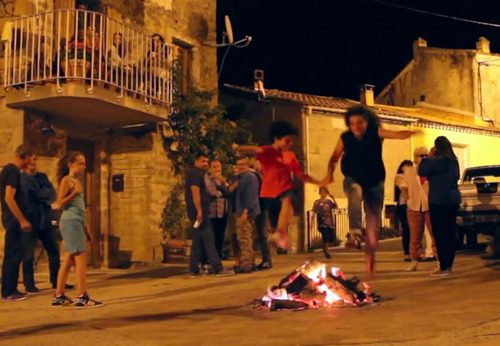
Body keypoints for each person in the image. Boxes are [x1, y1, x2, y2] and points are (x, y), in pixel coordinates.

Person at [322, 106, 417, 276]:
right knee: (355, 191)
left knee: (373, 227)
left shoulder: (375, 132)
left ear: (368, 122)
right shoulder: (345, 138)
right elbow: (335, 156)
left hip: (375, 182)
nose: (356, 127)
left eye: (360, 123)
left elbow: (394, 134)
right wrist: (329, 174)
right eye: (352, 124)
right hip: (353, 178)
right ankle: (355, 233)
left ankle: (370, 256)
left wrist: (409, 133)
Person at [234, 121, 320, 253]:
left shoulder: (290, 155)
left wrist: (317, 181)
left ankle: (280, 233)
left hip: (285, 190)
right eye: (287, 140)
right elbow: (253, 149)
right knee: (274, 222)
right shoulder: (267, 151)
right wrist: (237, 147)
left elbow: (298, 173)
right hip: (269, 193)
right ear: (276, 139)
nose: (290, 144)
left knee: (288, 200)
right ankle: (278, 236)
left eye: (292, 141)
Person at [52, 151, 103, 308]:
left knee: (68, 259)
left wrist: (87, 231)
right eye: (80, 163)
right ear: (71, 164)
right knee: (81, 259)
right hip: (71, 222)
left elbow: (81, 210)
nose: (84, 166)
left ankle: (59, 295)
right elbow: (60, 203)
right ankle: (82, 296)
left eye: (84, 163)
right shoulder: (67, 181)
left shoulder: (77, 181)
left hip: (77, 222)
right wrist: (74, 193)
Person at [185, 153, 234, 277]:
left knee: (197, 241)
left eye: (207, 161)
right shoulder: (195, 174)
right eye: (203, 161)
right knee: (209, 239)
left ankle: (194, 269)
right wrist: (199, 210)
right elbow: (195, 192)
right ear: (196, 161)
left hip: (200, 212)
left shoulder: (199, 174)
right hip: (200, 213)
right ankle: (217, 268)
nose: (205, 164)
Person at [419, 137, 461, 277]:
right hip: (453, 198)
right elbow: (456, 177)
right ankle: (448, 264)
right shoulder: (454, 161)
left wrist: (428, 157)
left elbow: (422, 170)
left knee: (439, 233)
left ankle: (444, 266)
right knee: (449, 232)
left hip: (439, 199)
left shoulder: (437, 161)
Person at [21, 154, 62, 292]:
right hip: (31, 217)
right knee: (28, 253)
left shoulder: (42, 177)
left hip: (47, 217)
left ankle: (57, 280)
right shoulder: (23, 178)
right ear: (26, 160)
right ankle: (29, 283)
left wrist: (41, 195)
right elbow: (30, 196)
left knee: (54, 249)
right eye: (32, 159)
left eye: (35, 159)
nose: (34, 162)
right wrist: (41, 195)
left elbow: (52, 194)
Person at [1, 145, 32, 302]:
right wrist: (21, 220)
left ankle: (11, 288)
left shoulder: (10, 170)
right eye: (30, 158)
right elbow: (9, 197)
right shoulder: (12, 170)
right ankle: (8, 292)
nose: (31, 162)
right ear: (24, 157)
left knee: (15, 254)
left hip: (11, 218)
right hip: (13, 219)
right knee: (12, 255)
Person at [400, 147, 438, 272]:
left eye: (425, 155)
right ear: (415, 157)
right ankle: (414, 261)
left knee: (434, 234)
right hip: (414, 205)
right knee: (415, 236)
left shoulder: (431, 170)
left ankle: (439, 260)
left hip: (429, 205)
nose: (423, 158)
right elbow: (404, 187)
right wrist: (408, 200)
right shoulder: (410, 171)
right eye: (421, 155)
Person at [233, 157, 261, 273]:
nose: (240, 167)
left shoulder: (249, 177)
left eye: (243, 165)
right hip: (246, 210)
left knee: (243, 238)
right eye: (238, 165)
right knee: (247, 237)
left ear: (247, 165)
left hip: (246, 211)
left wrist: (245, 211)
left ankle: (246, 265)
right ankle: (251, 262)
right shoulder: (242, 177)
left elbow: (250, 196)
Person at [250, 159, 273, 270]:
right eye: (254, 163)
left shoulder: (263, 176)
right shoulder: (253, 176)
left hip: (263, 208)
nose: (255, 165)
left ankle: (267, 260)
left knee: (263, 234)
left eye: (257, 163)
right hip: (256, 207)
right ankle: (257, 260)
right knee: (257, 234)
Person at [204, 160, 229, 259]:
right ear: (210, 168)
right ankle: (209, 260)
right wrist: (220, 193)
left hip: (223, 212)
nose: (216, 169)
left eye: (218, 166)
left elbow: (229, 192)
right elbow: (211, 192)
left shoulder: (224, 180)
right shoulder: (208, 179)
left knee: (220, 237)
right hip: (212, 212)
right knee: (211, 238)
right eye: (214, 167)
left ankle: (218, 259)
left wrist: (223, 183)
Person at [394, 160, 413, 262]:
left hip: (412, 204)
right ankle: (407, 253)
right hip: (403, 205)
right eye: (407, 166)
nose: (409, 168)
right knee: (406, 228)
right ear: (402, 167)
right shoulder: (399, 177)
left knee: (413, 229)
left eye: (411, 166)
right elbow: (403, 187)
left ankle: (413, 251)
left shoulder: (411, 177)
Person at [313, 187, 338, 259]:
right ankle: (326, 252)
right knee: (325, 237)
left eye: (325, 192)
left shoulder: (329, 202)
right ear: (319, 193)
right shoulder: (317, 202)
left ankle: (326, 250)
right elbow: (314, 211)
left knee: (330, 238)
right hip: (321, 222)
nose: (323, 194)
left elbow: (336, 207)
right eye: (322, 192)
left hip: (329, 222)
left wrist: (333, 199)